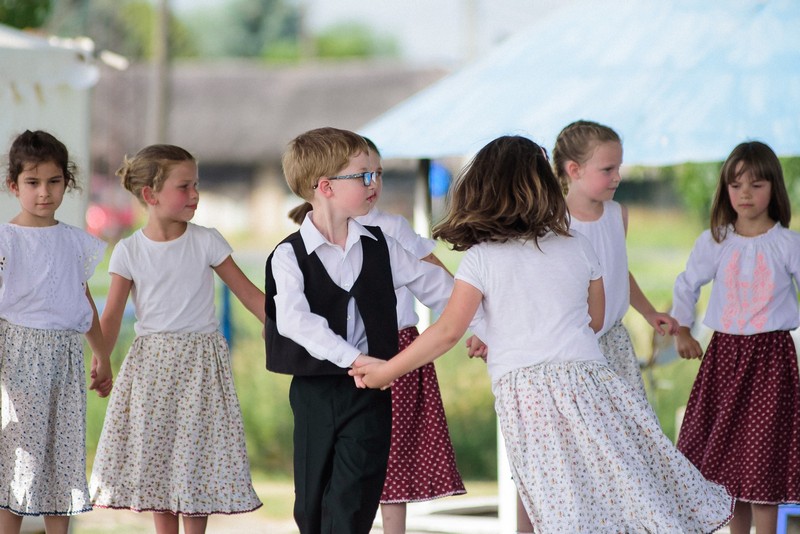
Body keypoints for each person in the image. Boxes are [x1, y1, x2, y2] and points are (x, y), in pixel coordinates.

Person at [351, 135, 735, 533]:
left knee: (563, 509)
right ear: (547, 187)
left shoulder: (481, 260)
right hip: (593, 385)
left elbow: (448, 331)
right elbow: (594, 318)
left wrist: (387, 371)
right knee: (622, 492)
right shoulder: (578, 246)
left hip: (530, 399)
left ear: (481, 192)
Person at [265, 127, 458, 534]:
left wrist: (489, 326)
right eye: (363, 175)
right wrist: (354, 358)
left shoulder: (382, 246)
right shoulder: (288, 255)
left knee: (354, 502)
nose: (374, 183)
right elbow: (295, 319)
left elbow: (443, 291)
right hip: (315, 391)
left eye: (376, 174)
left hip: (371, 393)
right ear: (326, 187)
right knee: (312, 506)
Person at [88, 144, 264, 534]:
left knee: (196, 458)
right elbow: (111, 316)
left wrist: (290, 329)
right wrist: (102, 359)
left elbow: (251, 297)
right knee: (160, 459)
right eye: (184, 187)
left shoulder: (207, 241)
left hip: (201, 368)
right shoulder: (129, 251)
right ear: (150, 195)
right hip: (152, 369)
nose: (195, 194)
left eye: (196, 185)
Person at [672, 141, 800, 534]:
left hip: (771, 360)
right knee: (728, 464)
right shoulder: (715, 241)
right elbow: (687, 284)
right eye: (735, 185)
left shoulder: (788, 244)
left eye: (756, 185)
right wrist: (682, 330)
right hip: (724, 357)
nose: (745, 193)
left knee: (762, 460)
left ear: (774, 188)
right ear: (725, 189)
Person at [0, 130, 111, 534]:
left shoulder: (74, 242)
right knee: (18, 456)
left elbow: (82, 300)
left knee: (62, 454)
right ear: (14, 185)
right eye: (32, 182)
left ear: (68, 181)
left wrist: (102, 355)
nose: (44, 192)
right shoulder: (5, 240)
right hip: (17, 357)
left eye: (54, 181)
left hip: (65, 359)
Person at [553, 119, 678, 396]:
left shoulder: (617, 214)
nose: (618, 177)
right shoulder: (555, 222)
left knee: (626, 415)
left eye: (618, 168)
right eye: (608, 169)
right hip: (572, 345)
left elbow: (619, 271)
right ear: (574, 170)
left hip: (615, 340)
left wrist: (649, 312)